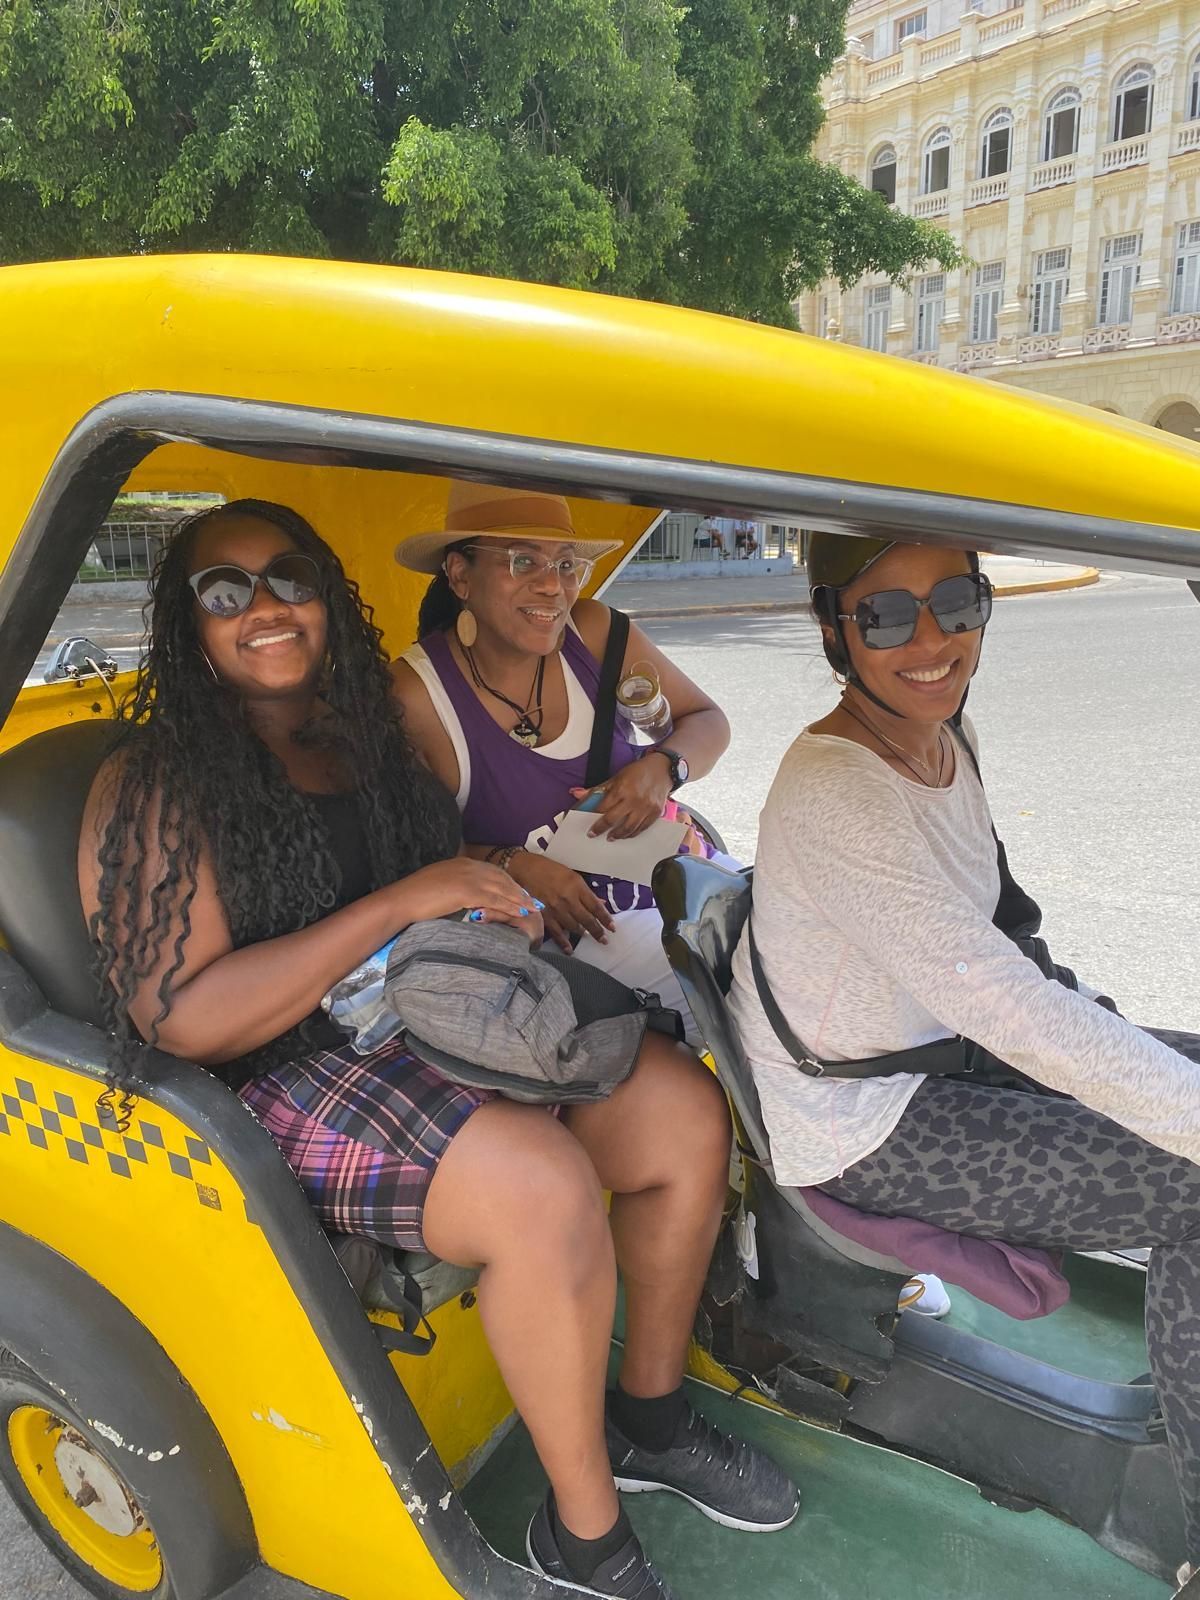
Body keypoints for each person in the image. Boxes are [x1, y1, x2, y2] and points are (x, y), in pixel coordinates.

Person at [78, 498, 797, 1600]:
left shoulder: (360, 731)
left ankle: (648, 1416)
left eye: (288, 581)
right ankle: (586, 1539)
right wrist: (407, 903)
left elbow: (438, 873)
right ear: (190, 625)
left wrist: (488, 890)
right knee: (543, 1188)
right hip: (271, 1073)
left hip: (418, 1011)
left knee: (680, 1118)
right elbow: (184, 1016)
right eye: (225, 592)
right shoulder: (157, 781)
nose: (262, 608)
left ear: (327, 598)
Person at [728, 531, 1200, 1592]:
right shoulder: (836, 784)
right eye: (887, 615)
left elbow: (1006, 943)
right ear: (833, 627)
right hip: (866, 1119)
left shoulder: (949, 736)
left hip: (943, 1055)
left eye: (956, 601)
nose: (931, 639)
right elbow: (1009, 1008)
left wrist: (1123, 1035)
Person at [391, 484, 736, 1042]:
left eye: (567, 563)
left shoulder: (595, 633)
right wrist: (508, 864)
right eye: (522, 560)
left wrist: (662, 768)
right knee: (756, 995)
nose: (553, 584)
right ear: (459, 575)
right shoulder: (413, 696)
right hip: (562, 941)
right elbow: (396, 856)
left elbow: (707, 720)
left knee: (800, 948)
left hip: (681, 880)